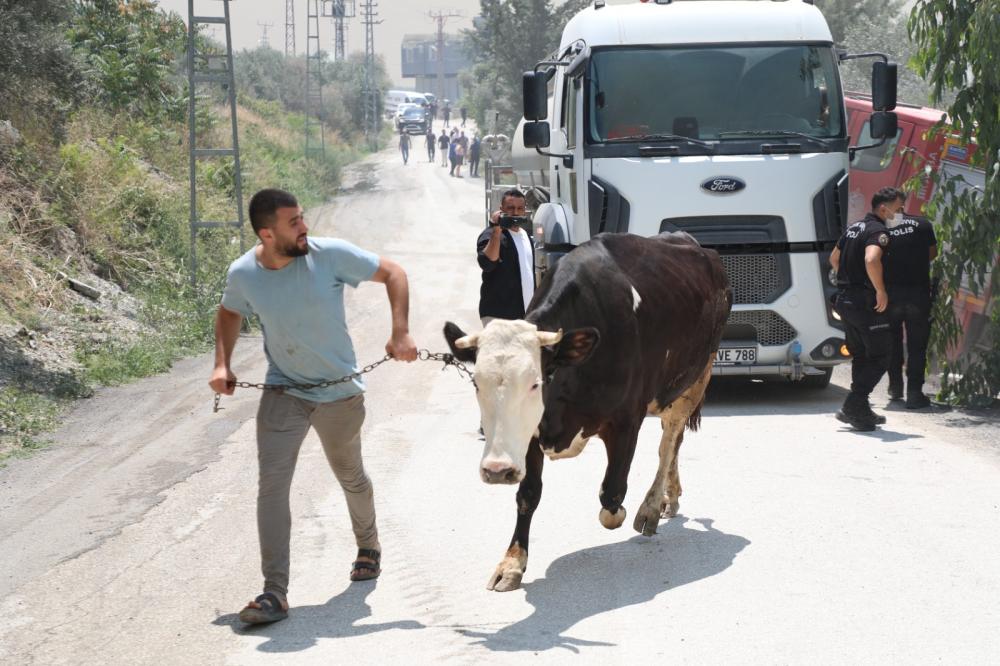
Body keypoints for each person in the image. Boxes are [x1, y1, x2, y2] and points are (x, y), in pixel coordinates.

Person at [209, 188, 418, 625]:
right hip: (284, 390)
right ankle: (274, 592)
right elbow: (230, 312)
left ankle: (368, 545)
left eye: (303, 218)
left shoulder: (329, 255)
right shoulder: (245, 273)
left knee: (350, 475)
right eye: (293, 222)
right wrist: (221, 363)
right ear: (267, 234)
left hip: (339, 393)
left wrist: (400, 332)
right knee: (272, 484)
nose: (304, 228)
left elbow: (394, 273)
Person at [829, 187, 900, 431]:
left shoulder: (854, 227)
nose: (900, 214)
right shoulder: (878, 231)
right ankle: (854, 404)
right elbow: (872, 259)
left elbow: (834, 259)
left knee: (861, 354)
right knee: (881, 355)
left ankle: (860, 409)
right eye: (898, 209)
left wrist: (848, 280)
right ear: (884, 208)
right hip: (864, 303)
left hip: (845, 299)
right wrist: (879, 289)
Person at [884, 208, 938, 409]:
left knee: (893, 341)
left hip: (891, 296)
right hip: (918, 296)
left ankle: (895, 386)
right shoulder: (923, 224)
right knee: (917, 346)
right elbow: (932, 254)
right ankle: (914, 394)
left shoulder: (882, 228)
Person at [477, 189, 535, 326]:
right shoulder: (490, 234)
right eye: (510, 208)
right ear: (501, 209)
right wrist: (496, 228)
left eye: (520, 208)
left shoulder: (526, 236)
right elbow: (488, 263)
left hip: (524, 315)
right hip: (498, 317)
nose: (515, 212)